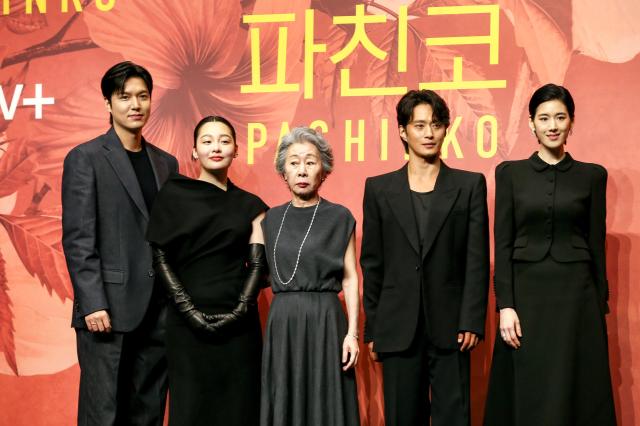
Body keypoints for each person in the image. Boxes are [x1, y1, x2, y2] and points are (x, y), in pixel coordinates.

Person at [483, 84, 616, 426]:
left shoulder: (592, 176)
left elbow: (596, 243)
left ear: (572, 122)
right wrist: (505, 305)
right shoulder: (510, 173)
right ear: (531, 123)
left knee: (577, 386)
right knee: (530, 385)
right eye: (544, 118)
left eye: (560, 117)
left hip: (577, 298)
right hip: (526, 297)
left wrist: (598, 302)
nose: (552, 125)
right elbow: (504, 243)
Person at [361, 89, 489, 426]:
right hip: (397, 326)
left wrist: (471, 319)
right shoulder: (379, 189)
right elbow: (373, 263)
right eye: (419, 125)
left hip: (452, 328)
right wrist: (373, 328)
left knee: (454, 417)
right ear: (403, 131)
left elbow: (476, 259)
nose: (428, 133)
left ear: (446, 129)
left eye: (436, 124)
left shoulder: (469, 185)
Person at [61, 61, 177, 425]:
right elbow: (79, 238)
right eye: (124, 97)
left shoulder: (167, 164)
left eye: (142, 96)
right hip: (106, 311)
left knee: (149, 412)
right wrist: (93, 301)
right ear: (108, 104)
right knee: (103, 414)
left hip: (157, 310)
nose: (135, 105)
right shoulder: (86, 158)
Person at [145, 115, 267, 426]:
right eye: (207, 141)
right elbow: (160, 257)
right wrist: (188, 310)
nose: (216, 147)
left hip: (239, 328)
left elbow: (258, 263)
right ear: (194, 151)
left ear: (236, 150)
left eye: (224, 141)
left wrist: (240, 311)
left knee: (240, 408)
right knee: (192, 410)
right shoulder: (173, 194)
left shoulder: (252, 205)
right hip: (186, 326)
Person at [260, 127, 360, 426]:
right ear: (283, 171)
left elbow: (350, 277)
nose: (302, 170)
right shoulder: (269, 219)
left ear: (323, 170)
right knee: (285, 398)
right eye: (294, 162)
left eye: (310, 161)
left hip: (326, 320)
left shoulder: (340, 216)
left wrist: (352, 334)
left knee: (327, 400)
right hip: (283, 321)